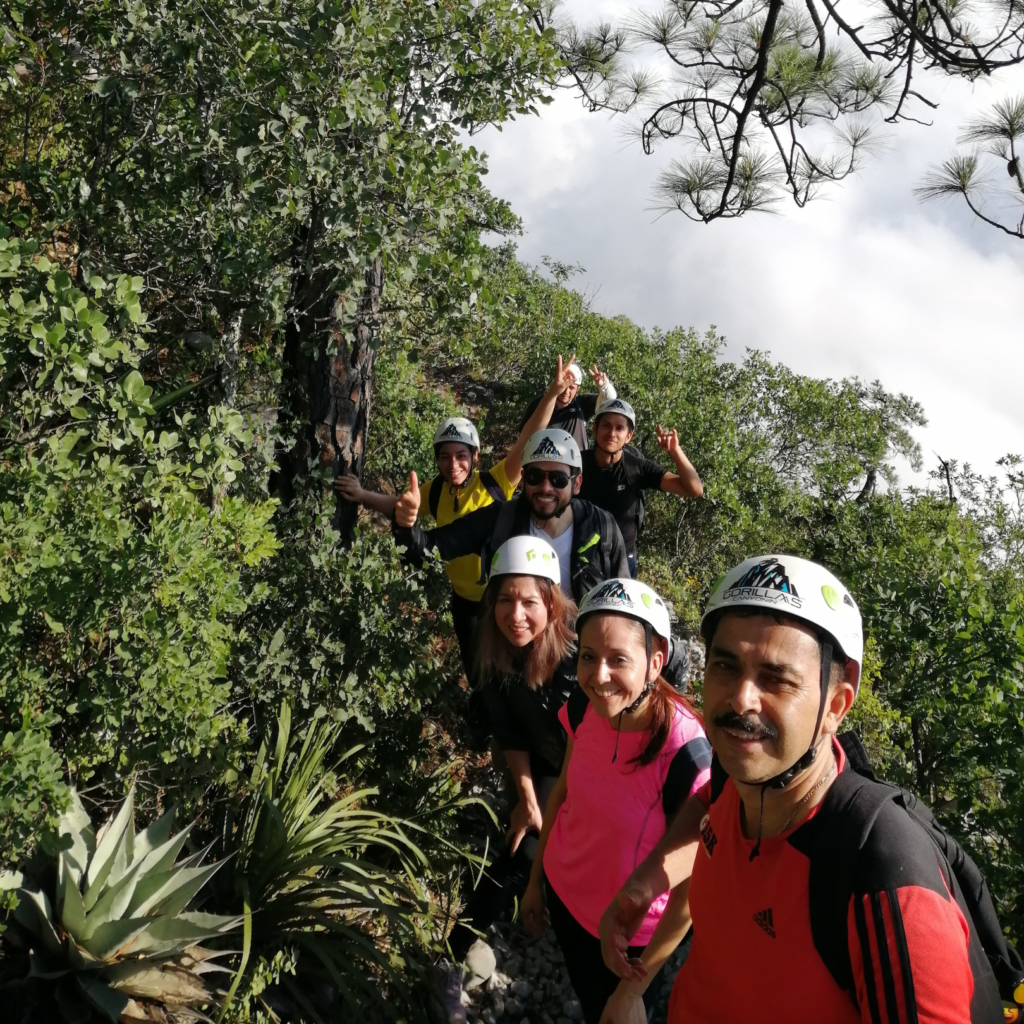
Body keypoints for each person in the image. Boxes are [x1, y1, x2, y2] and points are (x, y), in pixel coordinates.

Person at [598, 555, 1013, 1024]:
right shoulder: (738, 768)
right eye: (726, 667)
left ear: (835, 706)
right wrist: (648, 884)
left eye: (776, 678)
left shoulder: (885, 880)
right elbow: (708, 811)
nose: (741, 698)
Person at [520, 578, 712, 1024]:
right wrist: (535, 881)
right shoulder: (585, 708)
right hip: (567, 902)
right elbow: (564, 794)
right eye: (588, 657)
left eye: (618, 659)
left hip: (632, 940)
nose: (598, 676)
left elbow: (691, 887)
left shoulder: (686, 753)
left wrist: (634, 990)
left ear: (655, 662)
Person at [336, 358, 577, 676]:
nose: (454, 465)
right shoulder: (434, 491)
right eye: (445, 457)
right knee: (475, 667)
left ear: (475, 457)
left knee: (509, 669)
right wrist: (363, 495)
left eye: (461, 456)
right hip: (463, 601)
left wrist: (551, 394)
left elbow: (529, 439)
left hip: (501, 600)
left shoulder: (495, 482)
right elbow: (403, 506)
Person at [444, 535, 578, 973]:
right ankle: (450, 958)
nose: (515, 616)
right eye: (504, 599)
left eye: (529, 602)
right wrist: (528, 798)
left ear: (551, 606)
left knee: (538, 848)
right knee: (524, 842)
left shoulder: (578, 660)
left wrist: (551, 805)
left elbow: (592, 747)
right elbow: (508, 730)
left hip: (588, 771)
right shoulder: (494, 651)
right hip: (540, 759)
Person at [393, 427, 630, 604]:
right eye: (535, 477)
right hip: (516, 657)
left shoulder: (601, 527)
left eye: (558, 479)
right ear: (524, 479)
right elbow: (433, 547)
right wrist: (406, 526)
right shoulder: (501, 520)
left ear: (576, 484)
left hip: (581, 657)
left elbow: (622, 600)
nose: (545, 488)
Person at [579, 398, 703, 578]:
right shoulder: (576, 462)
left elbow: (694, 489)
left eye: (619, 428)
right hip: (581, 555)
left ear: (629, 436)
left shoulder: (636, 468)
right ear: (595, 428)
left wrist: (675, 451)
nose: (612, 433)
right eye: (606, 425)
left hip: (622, 560)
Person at [519, 361, 617, 451]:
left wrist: (604, 386)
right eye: (564, 386)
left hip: (577, 467)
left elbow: (610, 401)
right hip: (545, 466)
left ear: (577, 389)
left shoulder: (582, 404)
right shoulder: (540, 404)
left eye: (571, 387)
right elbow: (524, 437)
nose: (566, 391)